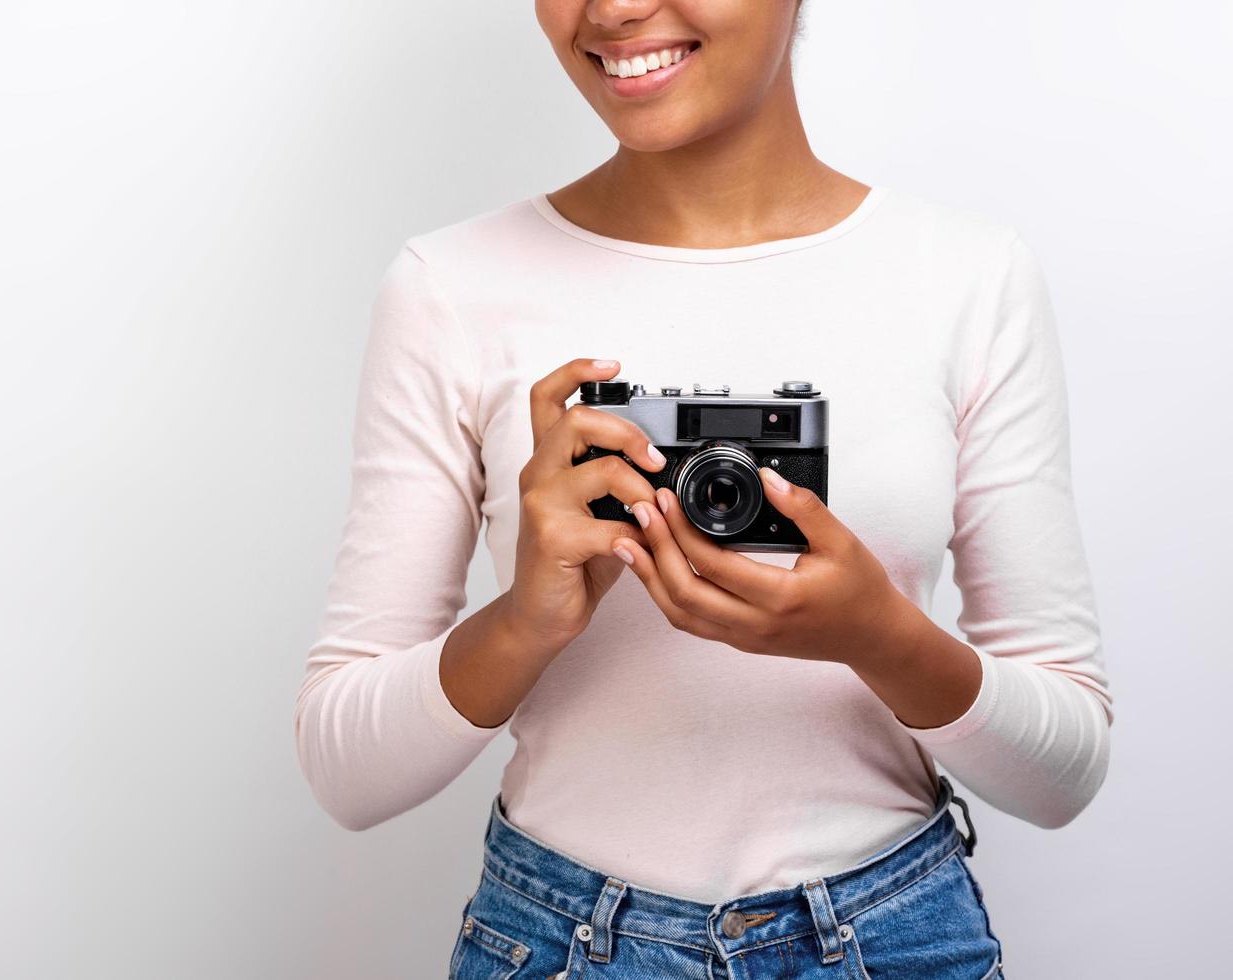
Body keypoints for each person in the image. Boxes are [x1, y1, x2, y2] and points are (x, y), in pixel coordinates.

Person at [294, 1, 1112, 976]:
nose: (613, 8)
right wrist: (523, 620)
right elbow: (346, 774)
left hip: (889, 932)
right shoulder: (450, 286)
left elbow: (1064, 771)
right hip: (560, 936)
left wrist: (875, 633)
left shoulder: (966, 278)